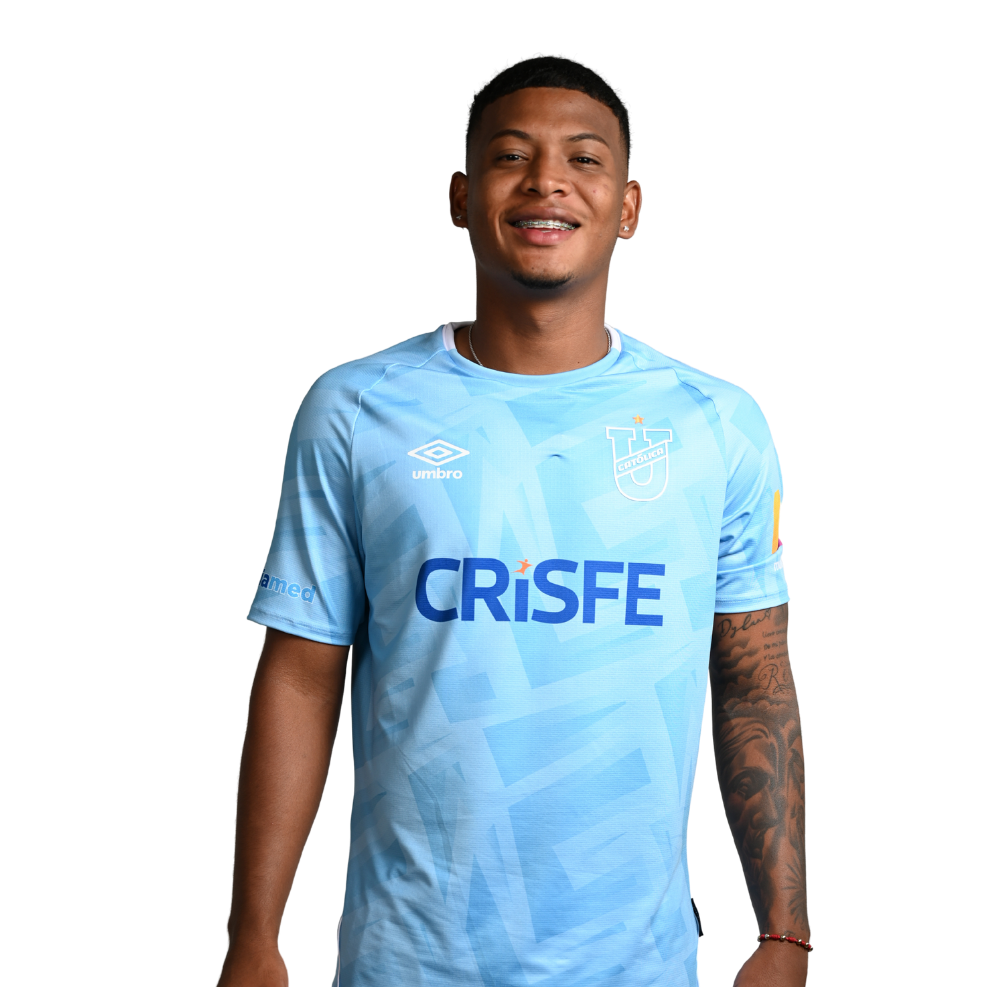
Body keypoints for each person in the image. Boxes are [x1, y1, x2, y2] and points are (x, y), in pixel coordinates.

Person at [216, 56, 809, 987]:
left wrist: (784, 933)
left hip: (638, 968)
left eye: (584, 159)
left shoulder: (717, 422)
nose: (546, 182)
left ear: (629, 208)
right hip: (405, 964)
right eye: (510, 156)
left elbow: (755, 682)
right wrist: (253, 936)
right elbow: (300, 674)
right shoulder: (357, 408)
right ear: (460, 198)